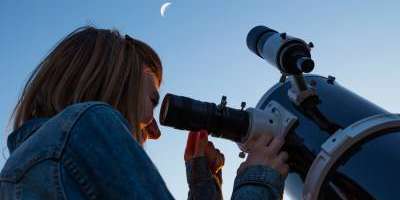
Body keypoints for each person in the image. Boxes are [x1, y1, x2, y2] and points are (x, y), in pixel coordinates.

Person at [0, 26, 289, 200]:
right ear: (117, 82)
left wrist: (204, 184)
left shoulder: (22, 172)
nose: (155, 130)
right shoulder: (90, 123)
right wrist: (258, 179)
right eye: (152, 101)